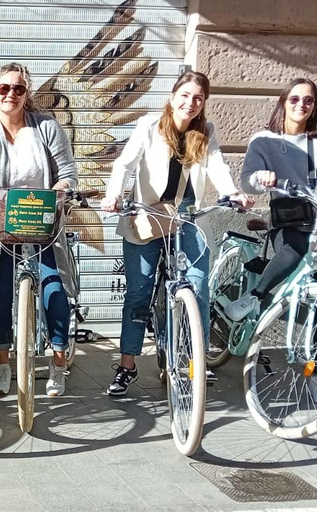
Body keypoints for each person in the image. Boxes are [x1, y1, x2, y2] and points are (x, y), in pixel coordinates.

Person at [102, 70, 253, 396]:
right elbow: (124, 165)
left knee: (197, 287)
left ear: (203, 103)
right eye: (185, 95)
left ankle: (191, 361)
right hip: (147, 217)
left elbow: (217, 166)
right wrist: (115, 194)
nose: (191, 103)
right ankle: (127, 365)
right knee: (139, 294)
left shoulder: (205, 131)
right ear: (173, 97)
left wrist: (232, 193)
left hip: (187, 219)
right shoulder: (149, 126)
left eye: (198, 98)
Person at [224, 77, 317, 405]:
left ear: (315, 106)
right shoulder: (265, 141)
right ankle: (256, 296)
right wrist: (261, 178)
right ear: (284, 101)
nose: (301, 105)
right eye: (295, 99)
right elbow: (250, 181)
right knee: (296, 246)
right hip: (289, 218)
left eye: (308, 100)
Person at [0, 62, 78, 397]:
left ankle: (58, 366)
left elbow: (68, 171)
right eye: (4, 88)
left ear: (27, 94)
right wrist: (1, 196)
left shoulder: (46, 127)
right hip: (0, 223)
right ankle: (2, 364)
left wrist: (60, 189)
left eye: (18, 89)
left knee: (54, 288)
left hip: (42, 220)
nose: (11, 94)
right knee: (0, 292)